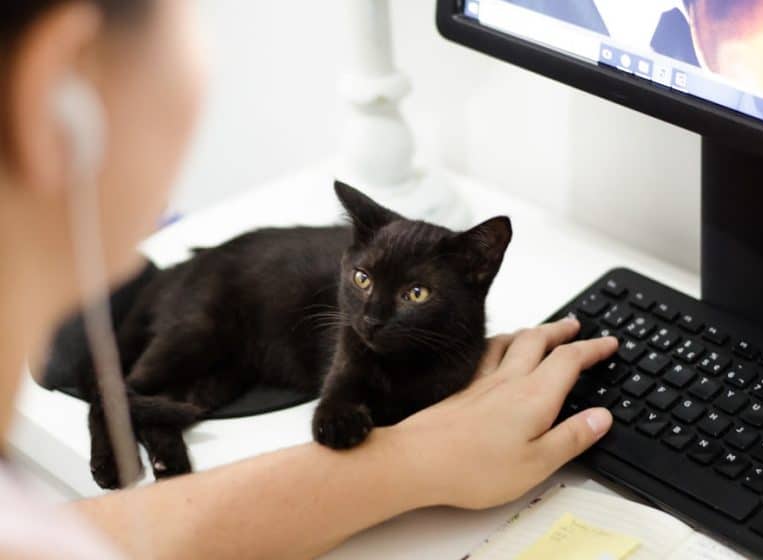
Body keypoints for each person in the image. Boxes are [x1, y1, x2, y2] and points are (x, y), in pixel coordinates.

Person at [0, 0, 618, 558]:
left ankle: (147, 415)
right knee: (190, 350)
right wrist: (418, 464)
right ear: (62, 90)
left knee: (202, 386)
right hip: (234, 289)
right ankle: (125, 404)